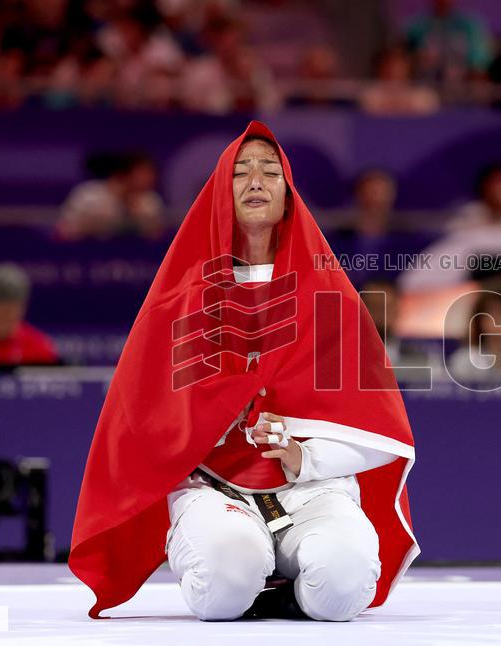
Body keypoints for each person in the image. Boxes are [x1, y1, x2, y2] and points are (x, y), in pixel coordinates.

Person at [69, 122, 418, 623]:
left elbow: (380, 430)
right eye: (241, 173)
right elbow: (136, 419)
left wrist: (305, 456)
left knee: (341, 592)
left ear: (288, 194)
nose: (256, 181)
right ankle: (241, 571)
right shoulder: (179, 300)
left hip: (313, 492)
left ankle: (285, 585)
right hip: (213, 488)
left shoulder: (331, 298)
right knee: (222, 592)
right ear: (219, 193)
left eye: (270, 172)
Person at [58, 152, 166, 240]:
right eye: (144, 173)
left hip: (137, 262)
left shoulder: (151, 201)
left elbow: (157, 236)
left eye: (151, 173)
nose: (151, 178)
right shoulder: (88, 196)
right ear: (123, 174)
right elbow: (64, 231)